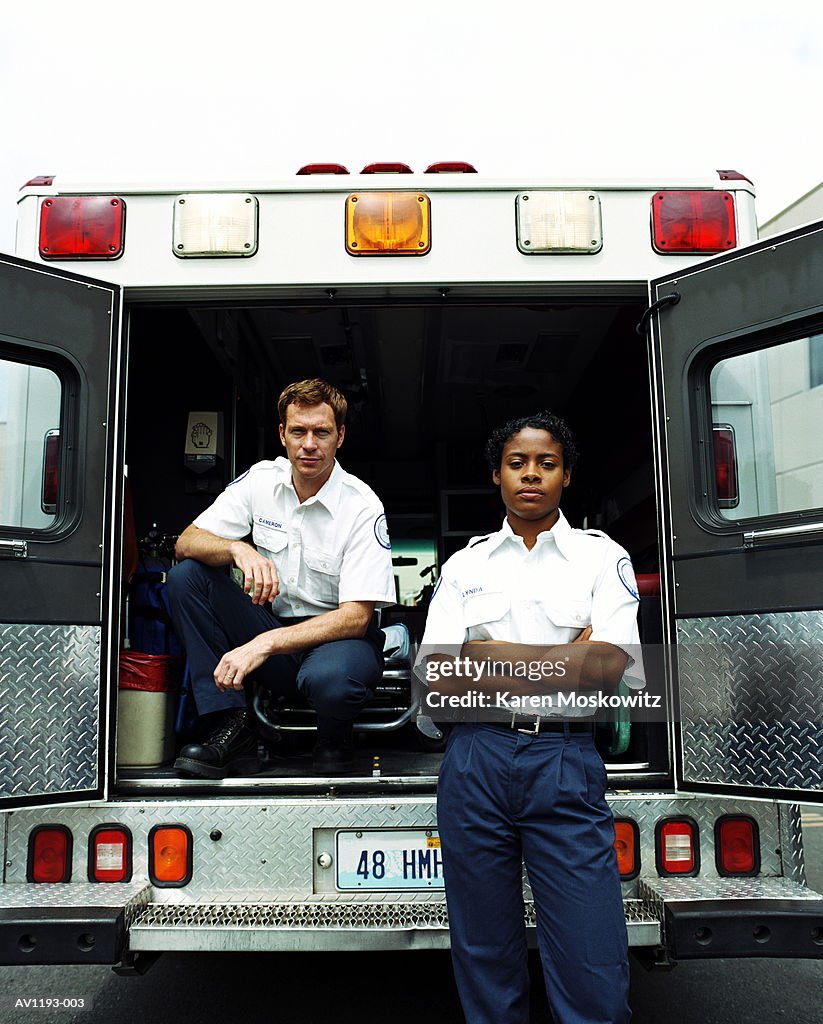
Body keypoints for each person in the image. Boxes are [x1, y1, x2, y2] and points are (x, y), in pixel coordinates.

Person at [419, 411, 644, 1024]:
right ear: (497, 474)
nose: (531, 475)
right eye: (518, 463)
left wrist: (487, 655)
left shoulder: (602, 558)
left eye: (547, 463)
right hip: (476, 761)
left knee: (592, 958)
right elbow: (438, 674)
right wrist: (568, 655)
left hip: (565, 759)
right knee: (484, 953)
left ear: (566, 476)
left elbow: (608, 670)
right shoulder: (467, 565)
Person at [168, 378, 396, 777]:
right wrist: (238, 549)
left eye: (321, 432)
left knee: (332, 679)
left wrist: (262, 644)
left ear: (339, 436)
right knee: (187, 577)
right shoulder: (260, 481)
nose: (309, 444)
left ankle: (334, 737)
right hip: (271, 628)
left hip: (338, 639)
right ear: (282, 434)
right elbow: (187, 541)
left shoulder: (361, 505)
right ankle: (230, 722)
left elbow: (356, 617)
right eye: (299, 431)